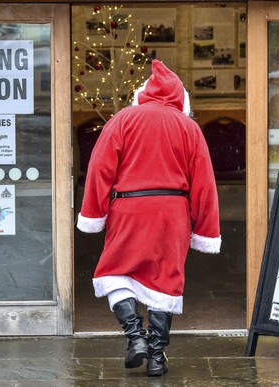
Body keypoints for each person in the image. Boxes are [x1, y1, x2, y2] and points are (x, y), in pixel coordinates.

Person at [76, 60, 221, 377]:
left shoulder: (123, 119)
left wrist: (93, 213)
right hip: (173, 212)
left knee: (114, 271)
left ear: (143, 94)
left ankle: (135, 337)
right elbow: (205, 183)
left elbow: (100, 169)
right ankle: (156, 356)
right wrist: (206, 229)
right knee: (165, 280)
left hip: (129, 209)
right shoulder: (190, 128)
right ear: (181, 99)